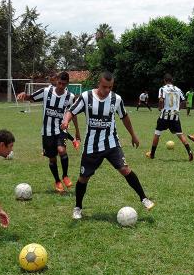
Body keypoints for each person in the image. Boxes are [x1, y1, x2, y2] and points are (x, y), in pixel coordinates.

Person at [61, 71, 155, 220]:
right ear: (99, 83)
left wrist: (133, 135)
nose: (107, 90)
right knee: (83, 178)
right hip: (92, 146)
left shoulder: (116, 99)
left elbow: (124, 117)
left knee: (125, 169)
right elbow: (71, 111)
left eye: (110, 87)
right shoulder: (86, 97)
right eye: (104, 87)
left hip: (112, 143)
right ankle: (78, 207)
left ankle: (144, 198)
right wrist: (66, 121)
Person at [17, 72, 80, 193]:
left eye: (64, 84)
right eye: (59, 83)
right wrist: (25, 95)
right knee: (52, 159)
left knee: (62, 150)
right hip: (46, 131)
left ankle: (65, 176)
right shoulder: (46, 92)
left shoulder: (70, 97)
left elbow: (73, 114)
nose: (61, 86)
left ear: (67, 83)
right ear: (56, 81)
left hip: (61, 129)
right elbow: (31, 97)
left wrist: (77, 132)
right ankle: (57, 181)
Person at [146, 74, 193, 161]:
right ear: (172, 80)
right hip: (174, 115)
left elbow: (161, 100)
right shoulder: (178, 89)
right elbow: (184, 101)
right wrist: (178, 109)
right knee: (180, 134)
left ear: (164, 80)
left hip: (165, 115)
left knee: (157, 133)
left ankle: (152, 154)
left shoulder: (162, 88)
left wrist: (160, 107)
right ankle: (189, 151)